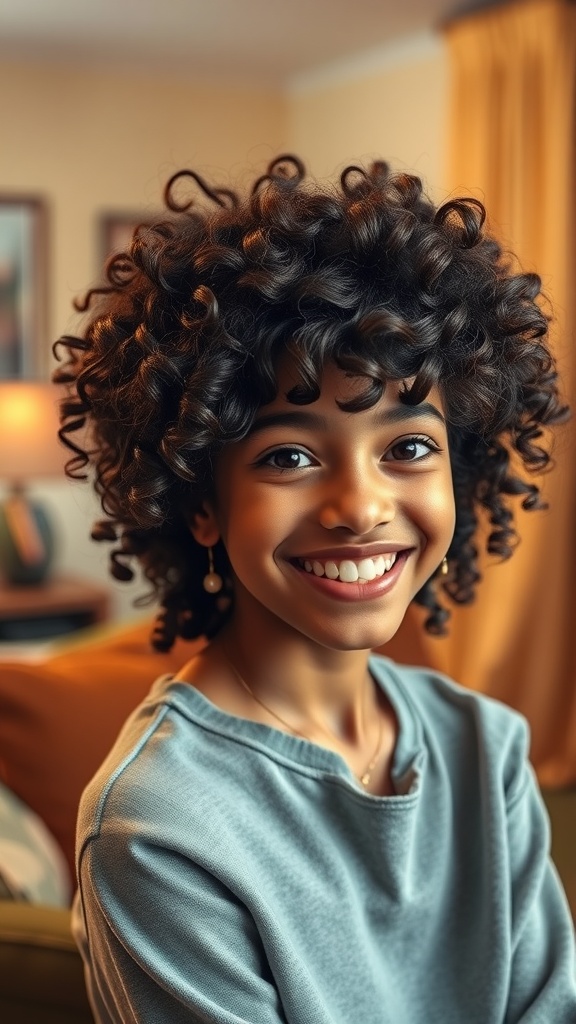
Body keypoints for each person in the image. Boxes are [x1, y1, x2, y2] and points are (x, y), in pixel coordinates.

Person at [55, 155, 576, 1023]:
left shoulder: (486, 749)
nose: (360, 507)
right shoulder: (157, 827)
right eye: (289, 455)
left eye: (407, 447)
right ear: (201, 503)